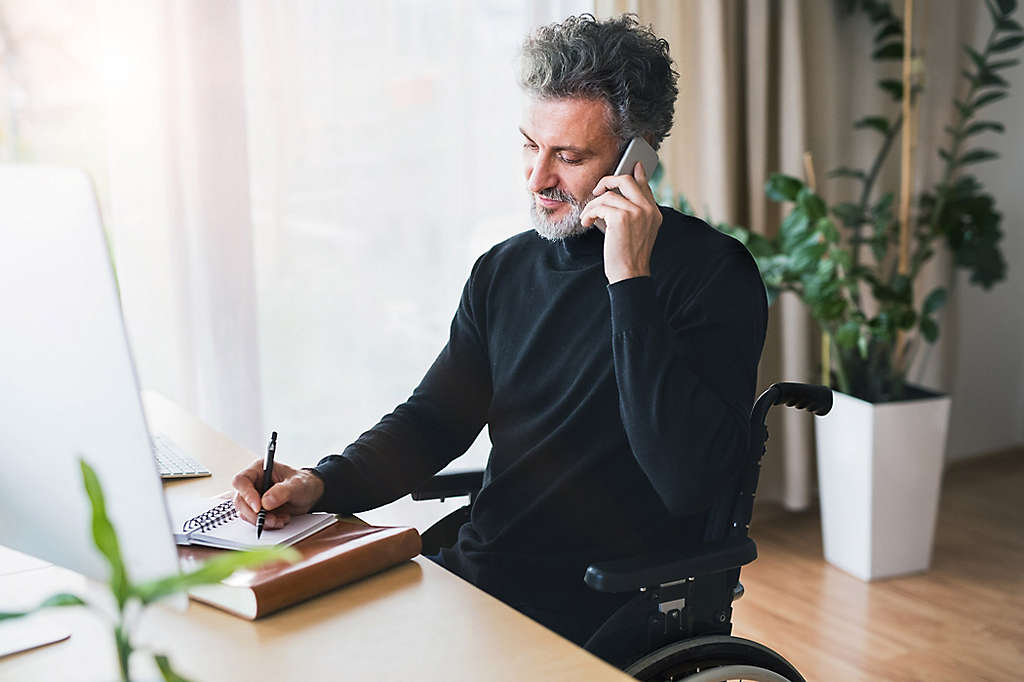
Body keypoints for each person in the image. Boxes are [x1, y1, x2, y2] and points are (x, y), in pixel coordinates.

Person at [233, 13, 767, 654]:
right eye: (528, 145)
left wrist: (629, 281)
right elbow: (433, 420)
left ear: (637, 158)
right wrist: (322, 483)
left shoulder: (713, 276)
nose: (536, 178)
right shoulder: (503, 270)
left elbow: (686, 481)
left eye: (567, 156)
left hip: (604, 603)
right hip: (482, 575)